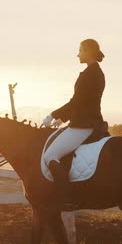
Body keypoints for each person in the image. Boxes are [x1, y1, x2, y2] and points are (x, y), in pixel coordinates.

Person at [41, 38, 106, 210]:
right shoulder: (93, 72)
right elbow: (82, 102)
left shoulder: (91, 74)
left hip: (84, 124)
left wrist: (53, 114)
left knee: (50, 157)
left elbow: (77, 100)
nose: (78, 54)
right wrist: (63, 119)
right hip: (83, 120)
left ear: (89, 52)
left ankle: (66, 198)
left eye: (80, 50)